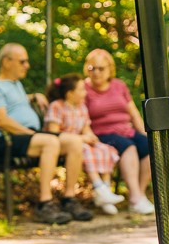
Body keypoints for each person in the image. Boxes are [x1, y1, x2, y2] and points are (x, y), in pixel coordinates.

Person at [0, 43, 92, 224]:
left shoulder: (16, 85)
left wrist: (33, 96)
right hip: (5, 140)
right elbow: (1, 121)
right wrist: (30, 133)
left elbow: (15, 103)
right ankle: (44, 203)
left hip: (27, 137)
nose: (27, 65)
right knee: (50, 142)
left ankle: (69, 199)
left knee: (74, 142)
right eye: (22, 61)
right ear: (6, 62)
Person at [83, 48, 154, 214]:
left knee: (148, 147)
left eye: (101, 68)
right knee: (129, 147)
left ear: (110, 69)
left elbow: (133, 112)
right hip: (102, 133)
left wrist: (144, 132)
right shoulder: (84, 89)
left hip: (126, 130)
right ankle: (136, 198)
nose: (97, 73)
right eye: (92, 68)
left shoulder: (118, 86)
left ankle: (139, 194)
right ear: (87, 69)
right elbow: (81, 118)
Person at [44, 74, 125, 215]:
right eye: (81, 90)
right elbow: (54, 132)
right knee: (85, 150)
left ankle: (104, 192)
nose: (85, 93)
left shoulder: (81, 107)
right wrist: (82, 138)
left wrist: (91, 137)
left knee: (105, 149)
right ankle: (99, 187)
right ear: (70, 94)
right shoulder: (57, 106)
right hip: (64, 144)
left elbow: (87, 129)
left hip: (81, 141)